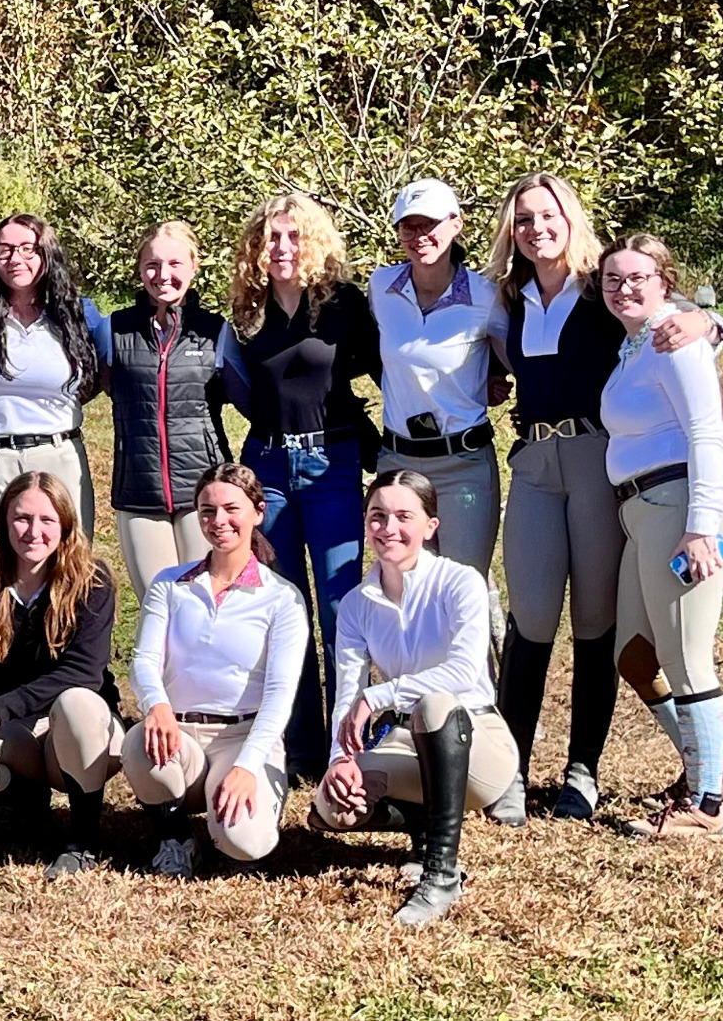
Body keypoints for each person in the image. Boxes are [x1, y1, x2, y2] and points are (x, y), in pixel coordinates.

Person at [482, 173, 723, 824]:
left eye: (548, 215)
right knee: (531, 619)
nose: (536, 228)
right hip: (533, 463)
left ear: (571, 220)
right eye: (524, 219)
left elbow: (672, 314)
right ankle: (509, 771)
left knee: (596, 622)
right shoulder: (507, 297)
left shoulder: (601, 288)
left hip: (596, 461)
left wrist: (708, 319)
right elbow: (483, 356)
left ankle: (582, 772)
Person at [310, 471, 518, 927]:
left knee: (435, 704)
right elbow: (347, 695)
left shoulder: (460, 582)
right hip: (407, 740)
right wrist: (340, 761)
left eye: (404, 516)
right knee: (332, 806)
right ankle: (421, 830)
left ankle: (441, 874)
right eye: (377, 516)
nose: (389, 528)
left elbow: (464, 672)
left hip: (477, 744)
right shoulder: (356, 604)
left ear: (430, 526)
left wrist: (379, 695)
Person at [219, 192, 378, 778]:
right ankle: (302, 742)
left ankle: (348, 737)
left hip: (332, 464)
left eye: (292, 236)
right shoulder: (246, 315)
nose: (281, 248)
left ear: (313, 241)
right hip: (267, 469)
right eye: (270, 238)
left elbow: (390, 369)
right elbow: (232, 389)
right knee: (285, 607)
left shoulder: (344, 306)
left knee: (338, 607)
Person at [598, 235, 723, 841]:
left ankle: (707, 806)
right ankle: (711, 772)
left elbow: (707, 434)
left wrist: (700, 528)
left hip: (683, 510)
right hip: (643, 513)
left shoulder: (673, 339)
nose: (624, 288)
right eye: (612, 279)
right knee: (635, 656)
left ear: (665, 281)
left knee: (686, 658)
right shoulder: (634, 346)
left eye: (638, 277)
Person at [0, 471, 120, 880]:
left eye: (47, 520)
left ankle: (84, 839)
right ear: (3, 523)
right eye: (21, 518)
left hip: (86, 728)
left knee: (76, 703)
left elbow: (83, 673)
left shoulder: (93, 583)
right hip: (22, 730)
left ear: (65, 525)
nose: (34, 531)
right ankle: (26, 805)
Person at [122, 463, 304, 876]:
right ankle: (174, 837)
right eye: (207, 511)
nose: (218, 520)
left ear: (258, 512)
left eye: (231, 509)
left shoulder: (282, 598)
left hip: (242, 736)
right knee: (137, 745)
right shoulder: (170, 584)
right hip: (179, 732)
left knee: (245, 842)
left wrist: (248, 765)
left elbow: (280, 694)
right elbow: (144, 660)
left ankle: (230, 822)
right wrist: (157, 706)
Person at [0, 213, 103, 551]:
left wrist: (56, 406)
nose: (16, 258)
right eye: (5, 249)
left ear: (47, 253)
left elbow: (101, 375)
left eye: (28, 249)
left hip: (60, 456)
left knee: (68, 563)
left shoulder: (79, 312)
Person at [368, 180, 503, 575]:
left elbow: (518, 356)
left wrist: (493, 376)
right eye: (408, 227)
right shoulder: (381, 287)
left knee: (463, 584)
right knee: (403, 582)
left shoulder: (486, 296)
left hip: (464, 465)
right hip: (398, 463)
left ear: (455, 224)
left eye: (429, 224)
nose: (419, 236)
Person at [104, 221, 229, 599]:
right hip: (139, 490)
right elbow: (93, 387)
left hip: (203, 490)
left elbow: (251, 401)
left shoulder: (216, 331)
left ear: (193, 265)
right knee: (158, 604)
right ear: (140, 269)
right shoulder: (113, 329)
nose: (163, 275)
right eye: (152, 265)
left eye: (175, 264)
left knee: (204, 602)